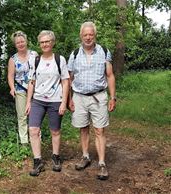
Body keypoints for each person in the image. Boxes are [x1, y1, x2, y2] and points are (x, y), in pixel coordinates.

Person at [67, 21, 116, 180]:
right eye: (85, 34)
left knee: (100, 130)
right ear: (81, 36)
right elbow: (69, 78)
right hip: (79, 97)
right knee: (83, 128)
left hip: (99, 96)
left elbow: (110, 76)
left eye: (91, 34)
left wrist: (113, 97)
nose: (88, 37)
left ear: (95, 35)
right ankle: (86, 156)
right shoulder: (74, 54)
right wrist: (69, 99)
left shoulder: (104, 51)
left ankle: (102, 163)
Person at [25, 30, 70, 176]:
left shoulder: (60, 59)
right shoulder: (35, 60)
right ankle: (38, 161)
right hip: (38, 100)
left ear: (52, 43)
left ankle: (56, 157)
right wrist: (28, 102)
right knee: (33, 130)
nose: (45, 44)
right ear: (39, 44)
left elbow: (65, 81)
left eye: (47, 41)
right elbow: (32, 82)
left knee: (55, 131)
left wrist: (64, 102)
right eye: (42, 42)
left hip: (55, 100)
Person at [7, 31, 38, 145]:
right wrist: (11, 88)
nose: (20, 44)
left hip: (35, 89)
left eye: (22, 41)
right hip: (20, 89)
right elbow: (10, 75)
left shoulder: (34, 55)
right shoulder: (13, 59)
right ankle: (24, 142)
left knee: (35, 115)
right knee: (22, 116)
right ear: (15, 45)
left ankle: (36, 139)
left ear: (26, 41)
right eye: (18, 42)